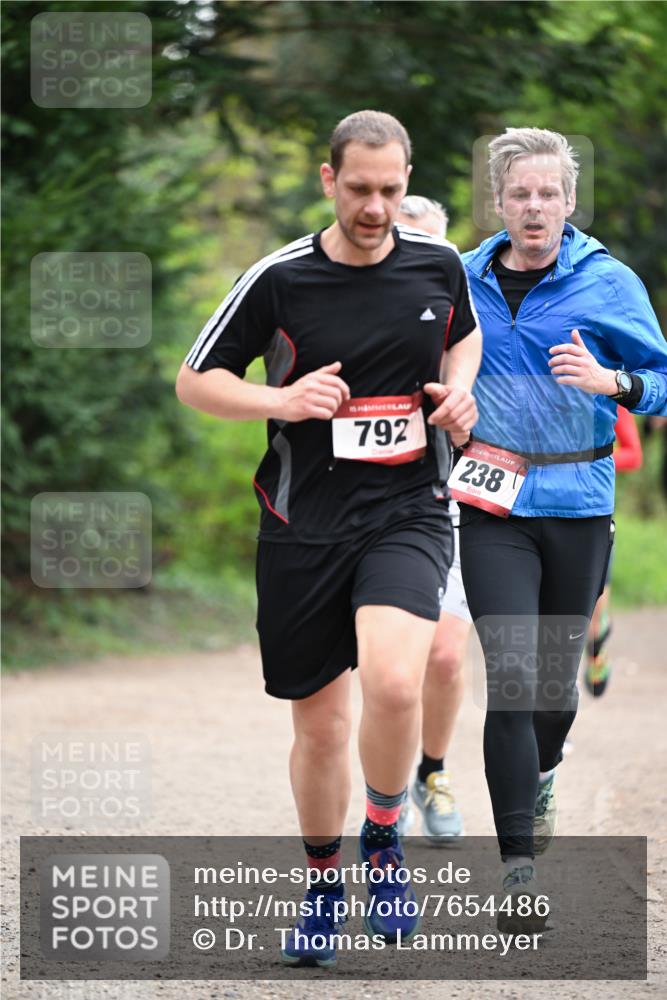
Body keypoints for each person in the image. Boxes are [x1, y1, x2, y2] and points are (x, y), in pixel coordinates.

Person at [176, 110, 482, 966]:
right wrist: (280, 400)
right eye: (358, 189)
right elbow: (195, 381)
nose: (374, 208)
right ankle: (321, 889)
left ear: (406, 179)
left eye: (389, 189)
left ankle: (381, 841)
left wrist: (459, 393)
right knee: (319, 727)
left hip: (406, 510)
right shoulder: (279, 278)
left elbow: (463, 338)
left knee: (395, 682)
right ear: (327, 180)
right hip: (301, 524)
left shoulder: (437, 263)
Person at [454, 126, 667, 932]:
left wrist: (612, 381)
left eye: (548, 193)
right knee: (511, 679)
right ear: (498, 202)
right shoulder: (460, 277)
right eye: (519, 193)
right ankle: (517, 872)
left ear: (569, 201)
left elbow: (661, 379)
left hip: (578, 503)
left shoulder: (608, 282)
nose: (533, 206)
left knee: (552, 691)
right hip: (491, 504)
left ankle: (543, 772)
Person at [395, 196, 472, 843]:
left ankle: (433, 771)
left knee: (444, 657)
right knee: (388, 667)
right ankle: (385, 788)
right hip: (370, 508)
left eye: (430, 246)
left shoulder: (468, 314)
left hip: (451, 501)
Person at [585, 407, 642, 697]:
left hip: (595, 510)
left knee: (594, 608)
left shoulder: (607, 393)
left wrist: (588, 459)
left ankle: (597, 644)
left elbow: (634, 454)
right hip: (543, 508)